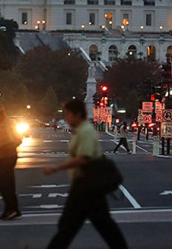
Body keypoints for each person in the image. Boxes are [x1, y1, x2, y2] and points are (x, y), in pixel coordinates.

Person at [43, 99, 128, 249]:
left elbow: (84, 158)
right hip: (87, 184)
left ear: (77, 114)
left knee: (70, 226)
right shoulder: (81, 130)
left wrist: (56, 168)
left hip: (86, 184)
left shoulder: (86, 131)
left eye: (67, 114)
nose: (66, 118)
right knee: (100, 224)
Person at [0, 106, 22, 220]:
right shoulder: (2, 125)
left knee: (1, 182)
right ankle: (12, 209)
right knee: (9, 183)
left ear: (0, 114)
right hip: (6, 156)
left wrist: (5, 149)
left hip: (9, 156)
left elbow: (16, 140)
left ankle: (11, 208)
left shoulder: (7, 125)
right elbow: (1, 143)